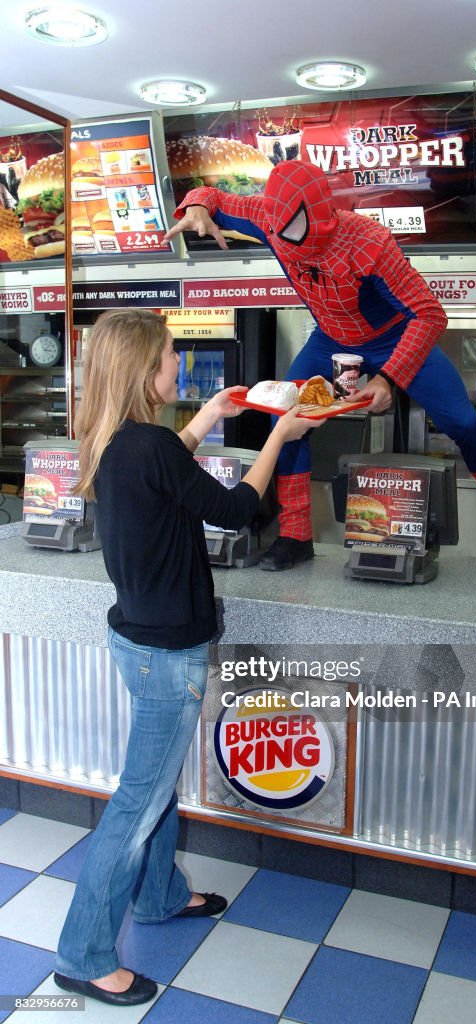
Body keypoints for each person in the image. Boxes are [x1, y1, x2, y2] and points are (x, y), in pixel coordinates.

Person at [53, 308, 323, 1007]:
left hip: (136, 637)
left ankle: (160, 896)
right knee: (136, 806)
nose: (181, 363)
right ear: (147, 370)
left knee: (156, 782)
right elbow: (235, 510)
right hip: (166, 654)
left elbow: (166, 467)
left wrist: (206, 416)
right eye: (173, 355)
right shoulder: (150, 447)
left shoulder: (117, 439)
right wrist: (279, 436)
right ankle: (83, 955)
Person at [164, 160, 476, 569]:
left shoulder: (369, 241)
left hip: (396, 336)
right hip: (331, 338)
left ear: (320, 217)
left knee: (464, 424)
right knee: (283, 415)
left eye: (295, 231)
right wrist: (195, 206)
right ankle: (295, 535)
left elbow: (429, 314)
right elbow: (212, 197)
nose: (285, 242)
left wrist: (389, 377)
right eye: (278, 232)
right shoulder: (265, 215)